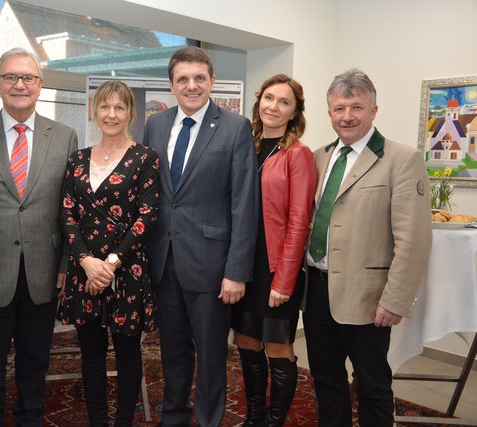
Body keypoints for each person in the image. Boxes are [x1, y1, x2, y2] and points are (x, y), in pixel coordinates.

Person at [303, 68, 432, 426]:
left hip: (368, 298)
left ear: (374, 111)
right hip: (316, 290)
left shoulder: (401, 159)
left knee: (372, 385)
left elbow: (414, 239)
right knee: (326, 378)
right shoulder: (318, 157)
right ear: (329, 112)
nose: (347, 116)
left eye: (356, 107)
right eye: (339, 108)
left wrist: (395, 299)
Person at [142, 46, 258, 427]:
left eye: (199, 78)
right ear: (171, 85)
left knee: (210, 356)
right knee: (172, 351)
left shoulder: (235, 127)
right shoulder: (155, 126)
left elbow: (244, 204)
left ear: (212, 81)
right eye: (183, 79)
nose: (191, 86)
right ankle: (173, 416)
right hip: (164, 262)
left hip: (212, 266)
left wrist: (236, 271)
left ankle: (209, 419)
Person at [0, 48, 78, 426]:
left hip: (44, 270)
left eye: (28, 77)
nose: (19, 84)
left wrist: (65, 264)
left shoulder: (65, 137)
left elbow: (70, 208)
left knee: (35, 360)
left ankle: (30, 419)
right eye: (10, 77)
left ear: (40, 85)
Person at [58, 80, 159, 427]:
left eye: (119, 107)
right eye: (104, 106)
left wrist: (110, 264)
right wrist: (87, 262)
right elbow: (67, 214)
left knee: (128, 354)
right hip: (84, 271)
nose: (111, 114)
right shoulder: (77, 159)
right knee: (91, 355)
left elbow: (147, 218)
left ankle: (123, 422)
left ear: (130, 113)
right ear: (94, 111)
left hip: (126, 272)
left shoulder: (145, 158)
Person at [231, 75, 317, 427]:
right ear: (259, 102)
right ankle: (254, 418)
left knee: (277, 347)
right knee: (246, 343)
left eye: (284, 102)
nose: (274, 107)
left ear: (294, 113)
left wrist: (284, 280)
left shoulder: (298, 155)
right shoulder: (244, 146)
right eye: (269, 98)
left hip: (276, 268)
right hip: (242, 264)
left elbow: (299, 221)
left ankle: (274, 421)